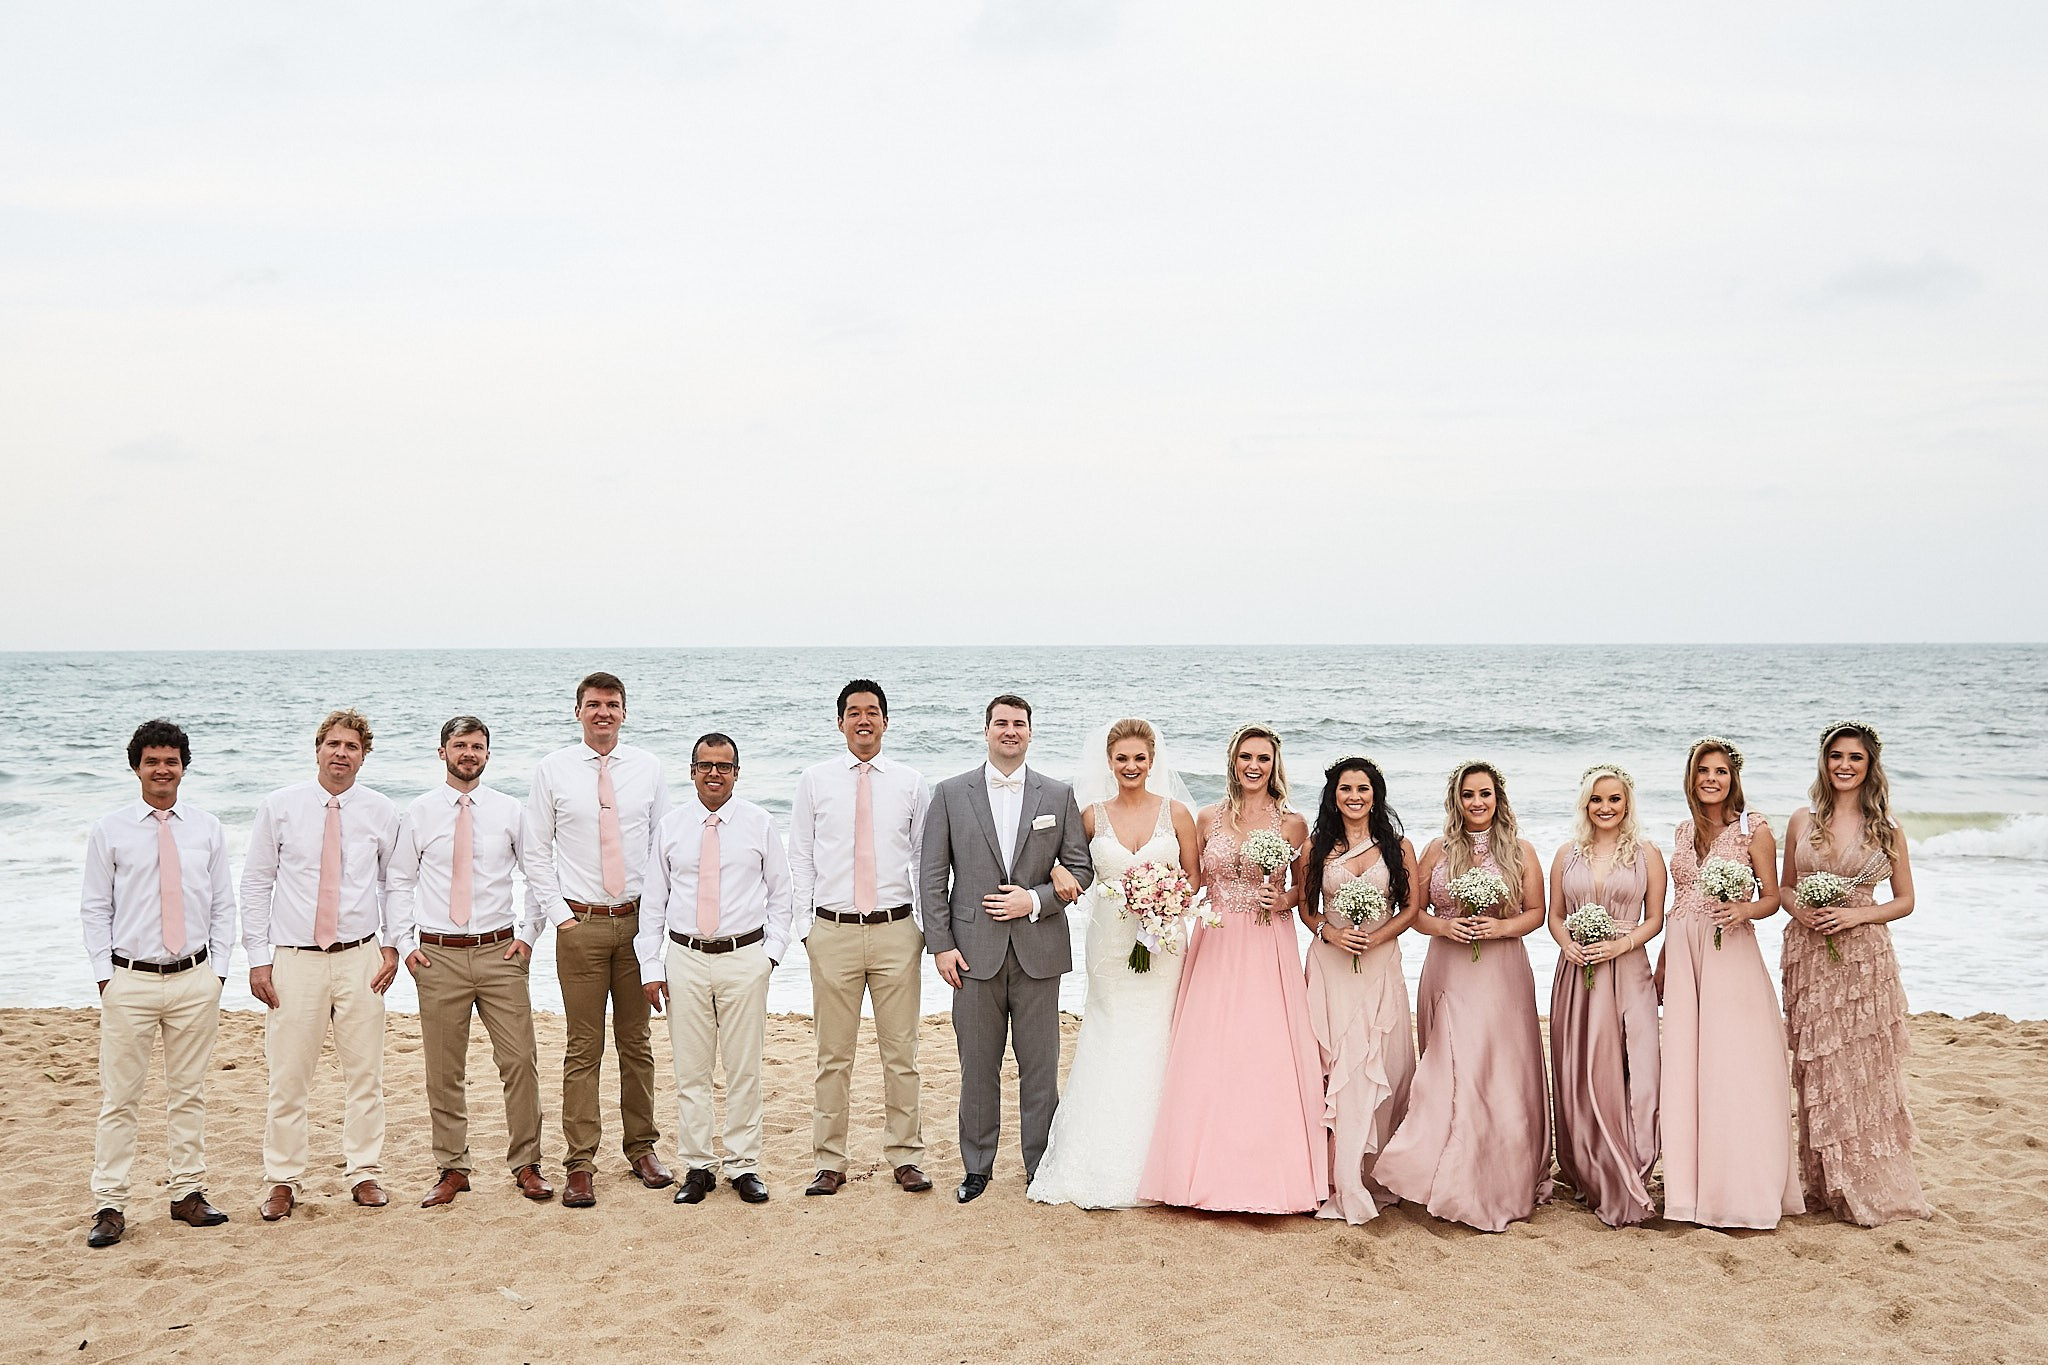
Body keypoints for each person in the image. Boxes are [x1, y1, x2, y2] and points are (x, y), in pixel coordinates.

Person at [1138, 724, 1327, 1214]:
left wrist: (1279, 896)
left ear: (1274, 764)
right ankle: (1200, 1172)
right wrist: (1148, 902)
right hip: (1217, 941)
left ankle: (1268, 1174)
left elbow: (1303, 896)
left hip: (1268, 943)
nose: (1254, 766)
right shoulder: (1207, 817)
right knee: (1210, 1049)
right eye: (1246, 756)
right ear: (1232, 760)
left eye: (1263, 758)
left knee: (1263, 1051)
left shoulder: (1293, 824)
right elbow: (1194, 882)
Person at [919, 694, 1094, 1204]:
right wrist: (941, 946)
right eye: (1001, 723)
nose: (1010, 731)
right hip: (972, 954)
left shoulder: (1058, 795)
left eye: (1019, 723)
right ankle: (977, 1167)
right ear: (986, 730)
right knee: (977, 1064)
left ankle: (1040, 1166)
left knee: (1040, 1066)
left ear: (1031, 732)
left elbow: (1079, 870)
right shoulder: (951, 793)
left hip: (1039, 951)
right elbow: (932, 875)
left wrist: (1035, 901)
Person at [1027, 718, 1198, 1210]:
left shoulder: (1177, 814)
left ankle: (1163, 1161)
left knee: (1157, 1036)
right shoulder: (1089, 816)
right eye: (1122, 759)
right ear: (1109, 762)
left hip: (1163, 944)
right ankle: (1096, 1159)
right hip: (1109, 946)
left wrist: (1164, 902)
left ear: (1152, 761)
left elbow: (1193, 879)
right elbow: (1061, 863)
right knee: (1109, 1033)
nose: (1131, 767)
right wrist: (1058, 868)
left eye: (1139, 759)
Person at [1374, 760, 1552, 1232]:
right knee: (1449, 1068)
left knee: (1496, 1069)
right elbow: (1413, 911)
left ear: (1499, 798)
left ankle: (1495, 1174)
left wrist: (1499, 927)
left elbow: (1536, 913)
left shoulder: (1521, 851)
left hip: (1502, 973)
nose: (1477, 803)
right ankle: (1439, 1171)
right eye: (1468, 794)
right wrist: (1446, 926)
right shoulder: (1437, 850)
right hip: (1448, 968)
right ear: (1456, 799)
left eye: (1485, 794)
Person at [80, 720, 236, 1248]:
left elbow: (222, 905)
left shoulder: (207, 828)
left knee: (188, 1093)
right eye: (152, 761)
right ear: (136, 768)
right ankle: (110, 1203)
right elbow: (95, 906)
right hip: (130, 979)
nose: (162, 770)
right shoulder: (111, 829)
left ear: (183, 768)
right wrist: (105, 974)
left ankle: (188, 1194)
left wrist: (218, 973)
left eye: (171, 761)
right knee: (120, 1097)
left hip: (194, 978)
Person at [241, 707, 401, 1220]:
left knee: (365, 1074)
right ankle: (283, 1179)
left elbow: (392, 883)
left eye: (351, 746)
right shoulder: (280, 807)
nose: (341, 753)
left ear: (364, 756)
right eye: (333, 744)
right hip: (294, 959)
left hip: (360, 957)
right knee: (288, 1075)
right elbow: (256, 882)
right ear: (317, 749)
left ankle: (364, 1172)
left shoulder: (382, 811)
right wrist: (258, 958)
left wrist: (393, 946)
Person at [388, 716, 554, 1208]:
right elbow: (398, 881)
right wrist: (405, 944)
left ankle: (527, 1164)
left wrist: (528, 936)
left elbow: (537, 874)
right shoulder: (418, 813)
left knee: (520, 1061)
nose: (469, 753)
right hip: (437, 957)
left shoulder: (509, 810)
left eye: (477, 746)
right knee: (444, 1069)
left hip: (501, 954)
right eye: (459, 745)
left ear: (487, 755)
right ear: (442, 752)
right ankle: (453, 1168)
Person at [523, 671, 674, 1208]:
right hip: (580, 926)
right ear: (578, 711)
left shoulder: (649, 769)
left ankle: (642, 1150)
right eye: (593, 705)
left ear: (624, 712)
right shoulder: (553, 770)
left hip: (637, 925)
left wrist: (656, 923)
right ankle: (581, 1163)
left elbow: (662, 848)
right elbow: (535, 850)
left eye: (612, 704)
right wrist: (559, 916)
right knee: (582, 1048)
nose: (602, 712)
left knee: (637, 1044)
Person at [1778, 720, 1932, 1225]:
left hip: (1863, 958)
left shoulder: (1886, 829)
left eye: (1855, 758)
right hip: (1809, 954)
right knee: (1819, 1067)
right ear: (1824, 763)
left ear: (1870, 767)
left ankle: (1867, 1181)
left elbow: (1905, 901)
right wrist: (1802, 912)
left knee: (1863, 1068)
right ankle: (1825, 1182)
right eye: (1836, 756)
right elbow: (1784, 889)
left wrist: (1855, 914)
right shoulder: (1803, 820)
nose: (1844, 765)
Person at [789, 680, 934, 1197]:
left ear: (886, 721)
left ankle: (906, 1155)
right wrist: (805, 928)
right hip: (833, 932)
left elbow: (922, 857)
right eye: (854, 713)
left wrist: (920, 923)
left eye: (873, 712)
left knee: (903, 1052)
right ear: (840, 722)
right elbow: (800, 854)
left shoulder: (912, 782)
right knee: (833, 1056)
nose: (863, 720)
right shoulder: (814, 779)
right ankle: (829, 1160)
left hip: (897, 931)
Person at [639, 733, 795, 1205]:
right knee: (691, 1070)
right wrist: (651, 965)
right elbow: (654, 901)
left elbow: (782, 894)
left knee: (745, 1068)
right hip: (684, 958)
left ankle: (744, 1166)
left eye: (723, 766)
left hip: (744, 958)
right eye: (705, 765)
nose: (713, 773)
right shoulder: (670, 826)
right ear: (691, 772)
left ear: (736, 773)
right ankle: (698, 1166)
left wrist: (771, 956)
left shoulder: (759, 823)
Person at [1659, 737, 1803, 1229]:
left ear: (1733, 778)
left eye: (1720, 771)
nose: (1711, 779)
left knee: (1732, 1063)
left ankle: (1740, 1188)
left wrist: (1744, 909)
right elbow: (1678, 900)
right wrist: (1661, 960)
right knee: (1687, 1068)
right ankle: (1690, 1191)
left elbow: (1774, 896)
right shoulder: (1681, 831)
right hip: (1682, 953)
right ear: (1691, 777)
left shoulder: (1753, 829)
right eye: (1703, 771)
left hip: (1730, 952)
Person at [1297, 756, 1419, 1225]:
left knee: (1377, 1064)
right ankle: (1337, 1177)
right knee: (1336, 1066)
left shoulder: (1398, 847)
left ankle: (1368, 1172)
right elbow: (1308, 910)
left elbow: (1410, 908)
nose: (1355, 797)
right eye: (1346, 789)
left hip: (1380, 962)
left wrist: (1377, 937)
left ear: (1376, 793)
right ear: (1334, 795)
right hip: (1330, 966)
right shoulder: (1316, 847)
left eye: (1363, 789)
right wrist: (1331, 933)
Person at [1545, 764, 1666, 1227]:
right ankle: (1588, 1170)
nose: (1606, 808)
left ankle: (1631, 1165)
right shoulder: (1566, 855)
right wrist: (1567, 943)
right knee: (1579, 1068)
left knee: (1634, 1067)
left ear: (1627, 803)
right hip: (1576, 971)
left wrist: (1620, 944)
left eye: (1614, 799)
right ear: (1585, 804)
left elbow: (1655, 918)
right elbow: (1555, 915)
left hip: (1627, 967)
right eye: (1597, 800)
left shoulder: (1647, 854)